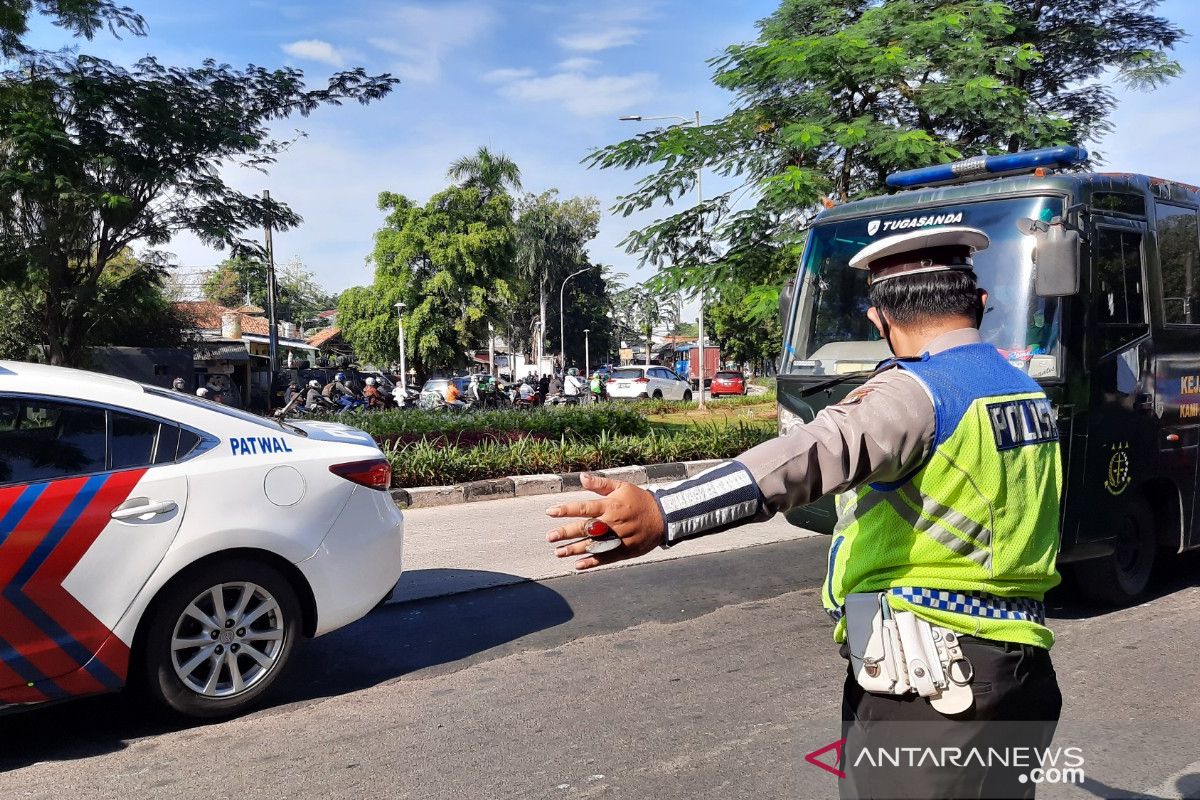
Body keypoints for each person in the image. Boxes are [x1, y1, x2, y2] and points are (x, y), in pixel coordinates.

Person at [545, 227, 1063, 799]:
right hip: (1021, 671)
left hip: (934, 688)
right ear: (981, 305)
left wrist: (663, 511)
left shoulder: (919, 394)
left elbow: (800, 460)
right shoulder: (1022, 391)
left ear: (879, 319)